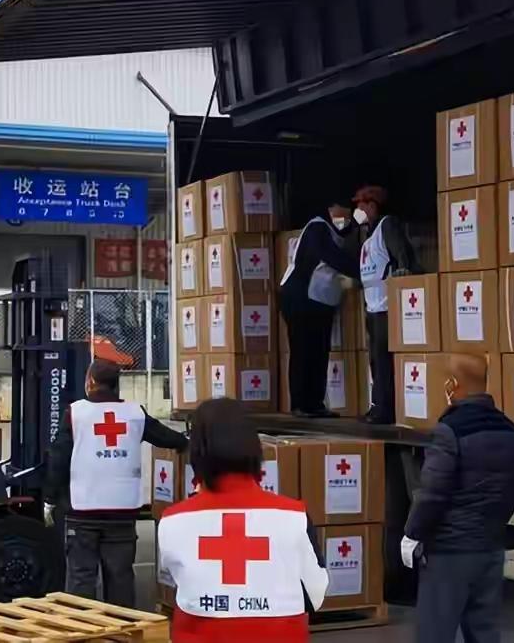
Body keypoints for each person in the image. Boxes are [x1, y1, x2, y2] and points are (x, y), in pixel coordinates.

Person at [158, 398, 327, 642]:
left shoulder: (173, 520)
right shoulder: (294, 516)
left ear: (196, 451)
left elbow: (181, 579)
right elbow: (315, 594)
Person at [45, 359, 188, 608]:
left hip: (83, 511)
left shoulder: (76, 413)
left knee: (81, 577)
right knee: (120, 577)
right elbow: (165, 437)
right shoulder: (135, 414)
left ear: (90, 381)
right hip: (122, 512)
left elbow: (59, 458)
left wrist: (49, 498)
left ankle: (81, 625)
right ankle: (122, 625)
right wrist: (185, 441)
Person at [403, 354, 514, 643]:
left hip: (449, 552)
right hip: (490, 548)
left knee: (435, 633)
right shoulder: (510, 430)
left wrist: (412, 533)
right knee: (484, 633)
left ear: (453, 384)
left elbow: (432, 493)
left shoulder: (449, 431)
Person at [279, 202, 360, 417]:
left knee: (319, 351)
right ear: (331, 209)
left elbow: (344, 237)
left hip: (321, 301)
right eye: (343, 209)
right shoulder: (317, 226)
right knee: (303, 350)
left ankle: (315, 403)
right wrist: (362, 271)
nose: (346, 214)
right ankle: (300, 404)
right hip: (300, 297)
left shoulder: (339, 231)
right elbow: (330, 255)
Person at [354, 184, 421, 424]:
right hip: (372, 306)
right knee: (375, 360)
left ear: (372, 205)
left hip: (386, 305)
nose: (357, 210)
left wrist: (404, 271)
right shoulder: (368, 236)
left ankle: (385, 410)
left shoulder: (386, 225)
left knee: (383, 359)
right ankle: (377, 405)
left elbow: (401, 254)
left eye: (361, 204)